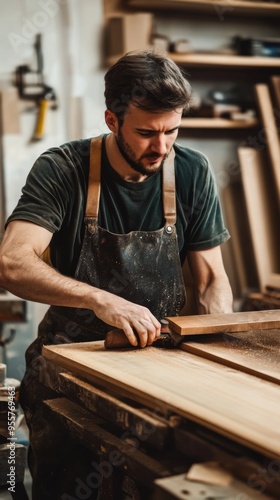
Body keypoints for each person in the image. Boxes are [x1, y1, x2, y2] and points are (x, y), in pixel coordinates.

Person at [0, 50, 233, 499]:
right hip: (70, 363)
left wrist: (210, 350)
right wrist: (99, 299)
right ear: (112, 119)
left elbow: (209, 281)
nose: (161, 147)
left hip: (157, 362)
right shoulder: (62, 168)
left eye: (172, 131)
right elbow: (12, 262)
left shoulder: (191, 170)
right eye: (146, 133)